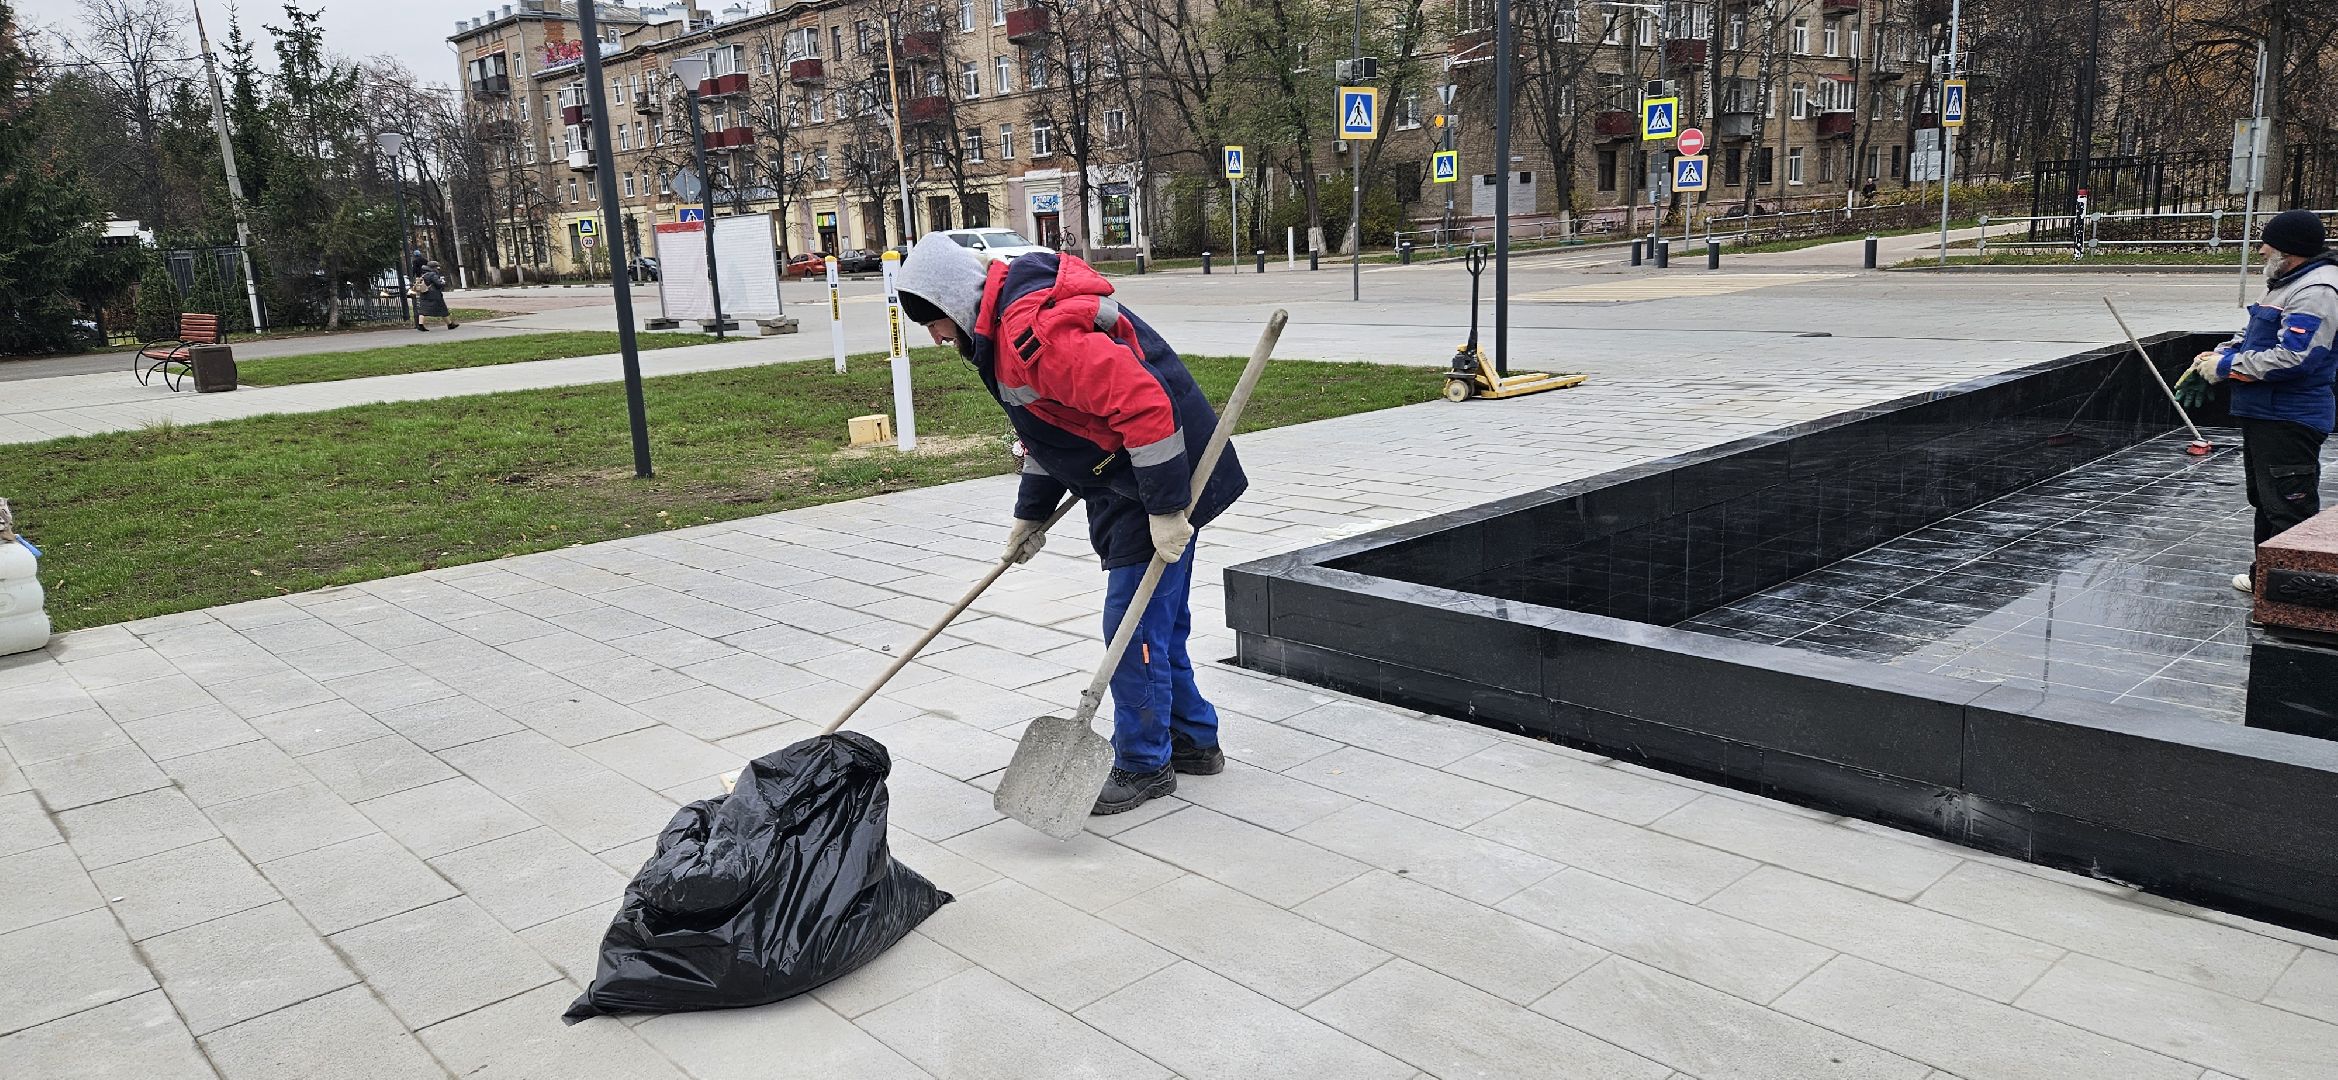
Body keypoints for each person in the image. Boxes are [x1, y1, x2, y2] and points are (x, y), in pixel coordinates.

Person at [892, 232, 1245, 815]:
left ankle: (1144, 763)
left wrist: (1164, 509)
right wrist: (1028, 518)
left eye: (934, 320)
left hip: (1163, 468)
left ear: (956, 302)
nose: (933, 335)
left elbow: (1145, 406)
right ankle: (1192, 738)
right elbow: (1046, 432)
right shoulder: (999, 336)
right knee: (1153, 622)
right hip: (1122, 474)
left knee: (1131, 629)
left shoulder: (1036, 335)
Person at [2190, 208, 2336, 593]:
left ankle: (2293, 595)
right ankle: (2266, 581)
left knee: (2289, 505)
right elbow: (2253, 332)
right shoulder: (2284, 279)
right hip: (2264, 412)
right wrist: (2217, 355)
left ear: (2289, 249)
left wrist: (2227, 368)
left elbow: (2297, 358)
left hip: (2290, 416)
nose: (2259, 250)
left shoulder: (2316, 291)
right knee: (2265, 499)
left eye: (2265, 243)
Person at [412, 261, 458, 332]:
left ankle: (420, 325)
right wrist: (443, 283)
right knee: (443, 309)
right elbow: (438, 284)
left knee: (423, 310)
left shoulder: (424, 274)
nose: (438, 268)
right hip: (434, 295)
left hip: (424, 294)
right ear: (434, 267)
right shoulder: (433, 274)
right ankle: (450, 324)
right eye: (437, 267)